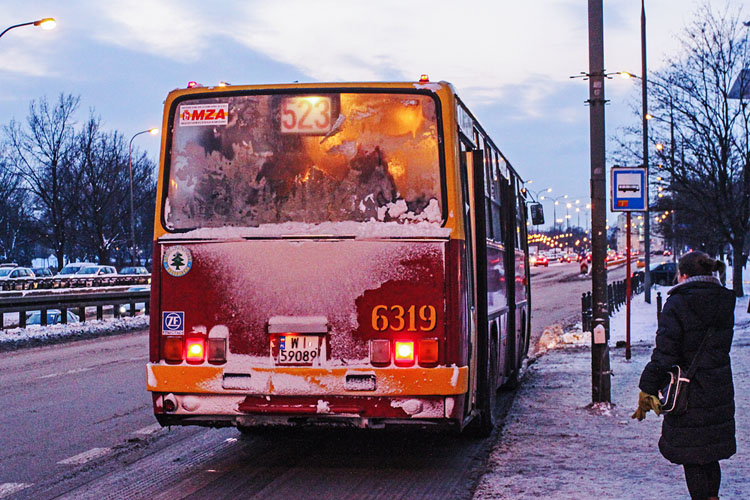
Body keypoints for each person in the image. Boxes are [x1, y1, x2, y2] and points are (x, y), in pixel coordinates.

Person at [633, 251, 736, 500]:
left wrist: (647, 386)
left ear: (684, 274)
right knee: (709, 453)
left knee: (693, 456)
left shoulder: (678, 303)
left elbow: (665, 353)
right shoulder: (724, 300)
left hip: (689, 393)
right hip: (718, 388)